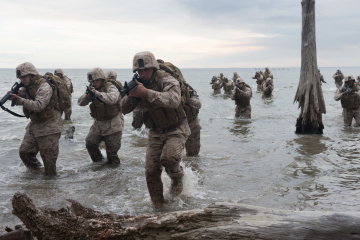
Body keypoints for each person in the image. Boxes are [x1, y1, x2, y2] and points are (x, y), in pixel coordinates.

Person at [121, 51, 190, 208]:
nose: (143, 73)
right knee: (151, 169)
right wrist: (132, 95)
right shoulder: (139, 83)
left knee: (169, 158)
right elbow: (124, 109)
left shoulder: (167, 79)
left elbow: (173, 100)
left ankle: (177, 177)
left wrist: (147, 93)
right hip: (155, 130)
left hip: (176, 127)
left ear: (153, 68)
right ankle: (158, 206)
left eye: (146, 70)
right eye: (139, 71)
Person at [9, 62, 63, 176]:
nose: (22, 80)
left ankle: (50, 188)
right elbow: (29, 98)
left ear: (32, 74)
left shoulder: (44, 86)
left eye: (24, 77)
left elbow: (38, 105)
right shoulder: (28, 87)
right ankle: (36, 177)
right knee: (25, 152)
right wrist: (19, 95)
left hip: (50, 126)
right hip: (35, 125)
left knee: (49, 166)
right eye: (20, 77)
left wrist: (20, 100)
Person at [78, 67, 124, 164]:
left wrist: (97, 93)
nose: (94, 83)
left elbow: (112, 99)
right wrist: (88, 95)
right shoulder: (92, 89)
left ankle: (114, 174)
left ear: (102, 79)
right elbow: (80, 103)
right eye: (92, 81)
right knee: (90, 143)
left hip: (113, 124)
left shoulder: (110, 87)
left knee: (112, 155)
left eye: (96, 80)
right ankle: (99, 164)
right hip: (98, 124)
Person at [183, 85, 202, 156]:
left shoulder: (189, 91)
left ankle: (192, 166)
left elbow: (198, 104)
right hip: (175, 124)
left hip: (191, 123)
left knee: (193, 154)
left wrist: (186, 98)